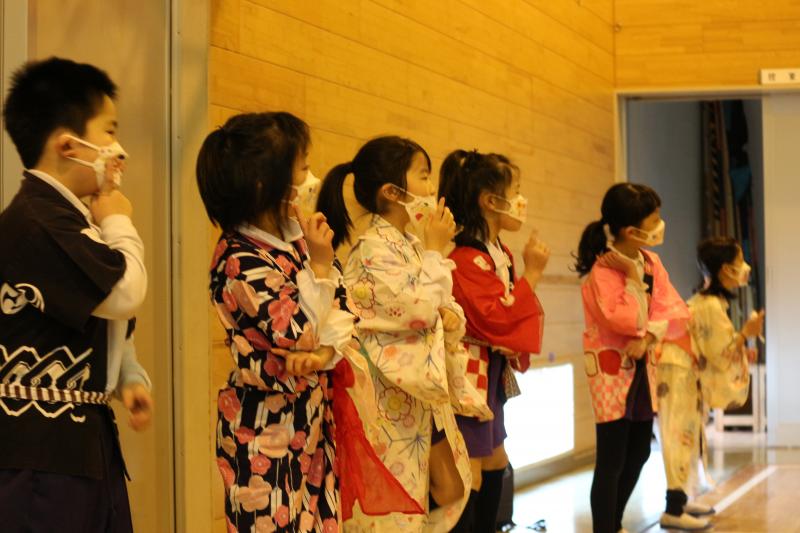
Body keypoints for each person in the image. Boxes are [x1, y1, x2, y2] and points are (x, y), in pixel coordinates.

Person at [0, 57, 152, 533]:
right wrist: (119, 220)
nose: (119, 150)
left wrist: (127, 375)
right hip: (43, 456)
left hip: (82, 445)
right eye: (109, 132)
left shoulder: (71, 218)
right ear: (68, 145)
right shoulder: (36, 221)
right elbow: (123, 292)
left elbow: (99, 312)